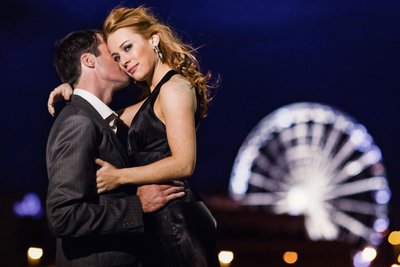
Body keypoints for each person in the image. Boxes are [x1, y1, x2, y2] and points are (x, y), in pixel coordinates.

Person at [48, 6, 219, 267]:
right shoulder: (150, 99)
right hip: (156, 225)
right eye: (115, 56)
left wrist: (119, 177)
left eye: (127, 48)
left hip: (177, 221)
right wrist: (74, 85)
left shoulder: (174, 88)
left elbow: (185, 164)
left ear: (153, 39)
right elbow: (102, 116)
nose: (123, 61)